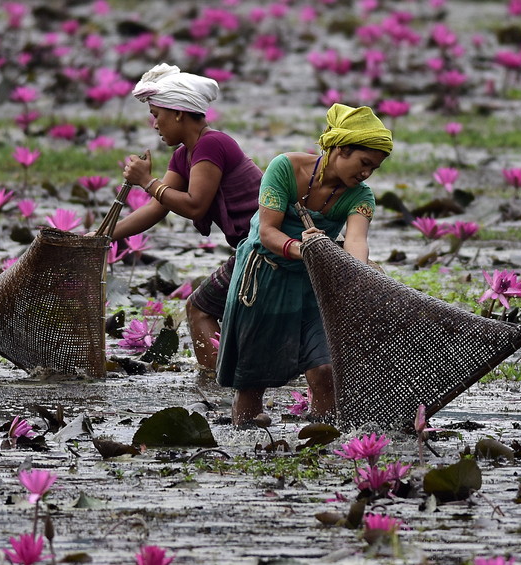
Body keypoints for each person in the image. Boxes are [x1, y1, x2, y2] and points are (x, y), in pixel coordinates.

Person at [216, 103, 393, 427]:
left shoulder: (361, 197)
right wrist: (304, 249)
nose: (366, 173)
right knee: (252, 385)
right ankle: (243, 441)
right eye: (364, 162)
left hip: (314, 283)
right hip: (263, 279)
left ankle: (321, 438)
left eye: (374, 168)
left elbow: (355, 241)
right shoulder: (284, 168)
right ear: (339, 148)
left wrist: (360, 273)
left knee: (326, 369)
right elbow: (268, 232)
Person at [114, 63, 262, 376]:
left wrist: (147, 181)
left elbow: (194, 205)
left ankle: (217, 382)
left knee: (199, 308)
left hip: (265, 246)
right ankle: (229, 377)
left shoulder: (212, 144)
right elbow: (157, 207)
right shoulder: (184, 155)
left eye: (157, 114)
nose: (154, 124)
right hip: (253, 249)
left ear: (178, 113)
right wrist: (103, 235)